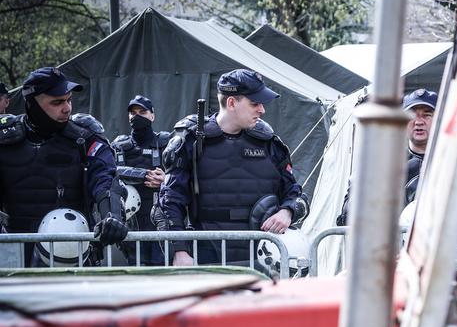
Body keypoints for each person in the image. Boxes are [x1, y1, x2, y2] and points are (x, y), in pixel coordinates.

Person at [158, 69, 308, 266]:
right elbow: (169, 202)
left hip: (263, 260)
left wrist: (287, 211)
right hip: (206, 259)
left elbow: (295, 193)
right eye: (255, 103)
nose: (262, 110)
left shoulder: (270, 144)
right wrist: (179, 251)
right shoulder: (191, 142)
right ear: (231, 103)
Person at [337, 88, 457, 236]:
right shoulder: (384, 163)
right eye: (412, 115)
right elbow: (348, 219)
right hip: (398, 261)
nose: (418, 122)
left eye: (427, 115)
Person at [0, 67, 126, 264]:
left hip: (75, 253)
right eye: (57, 102)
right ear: (32, 103)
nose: (67, 108)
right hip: (13, 255)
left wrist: (113, 216)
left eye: (69, 100)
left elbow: (106, 179)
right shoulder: (4, 139)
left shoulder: (85, 139)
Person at [111, 95, 169, 264]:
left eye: (142, 112)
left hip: (161, 221)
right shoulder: (119, 146)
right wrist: (142, 174)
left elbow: (183, 175)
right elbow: (108, 173)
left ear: (152, 115)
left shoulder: (166, 142)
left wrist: (165, 179)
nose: (136, 116)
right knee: (136, 272)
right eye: (133, 112)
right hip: (131, 224)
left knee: (162, 272)